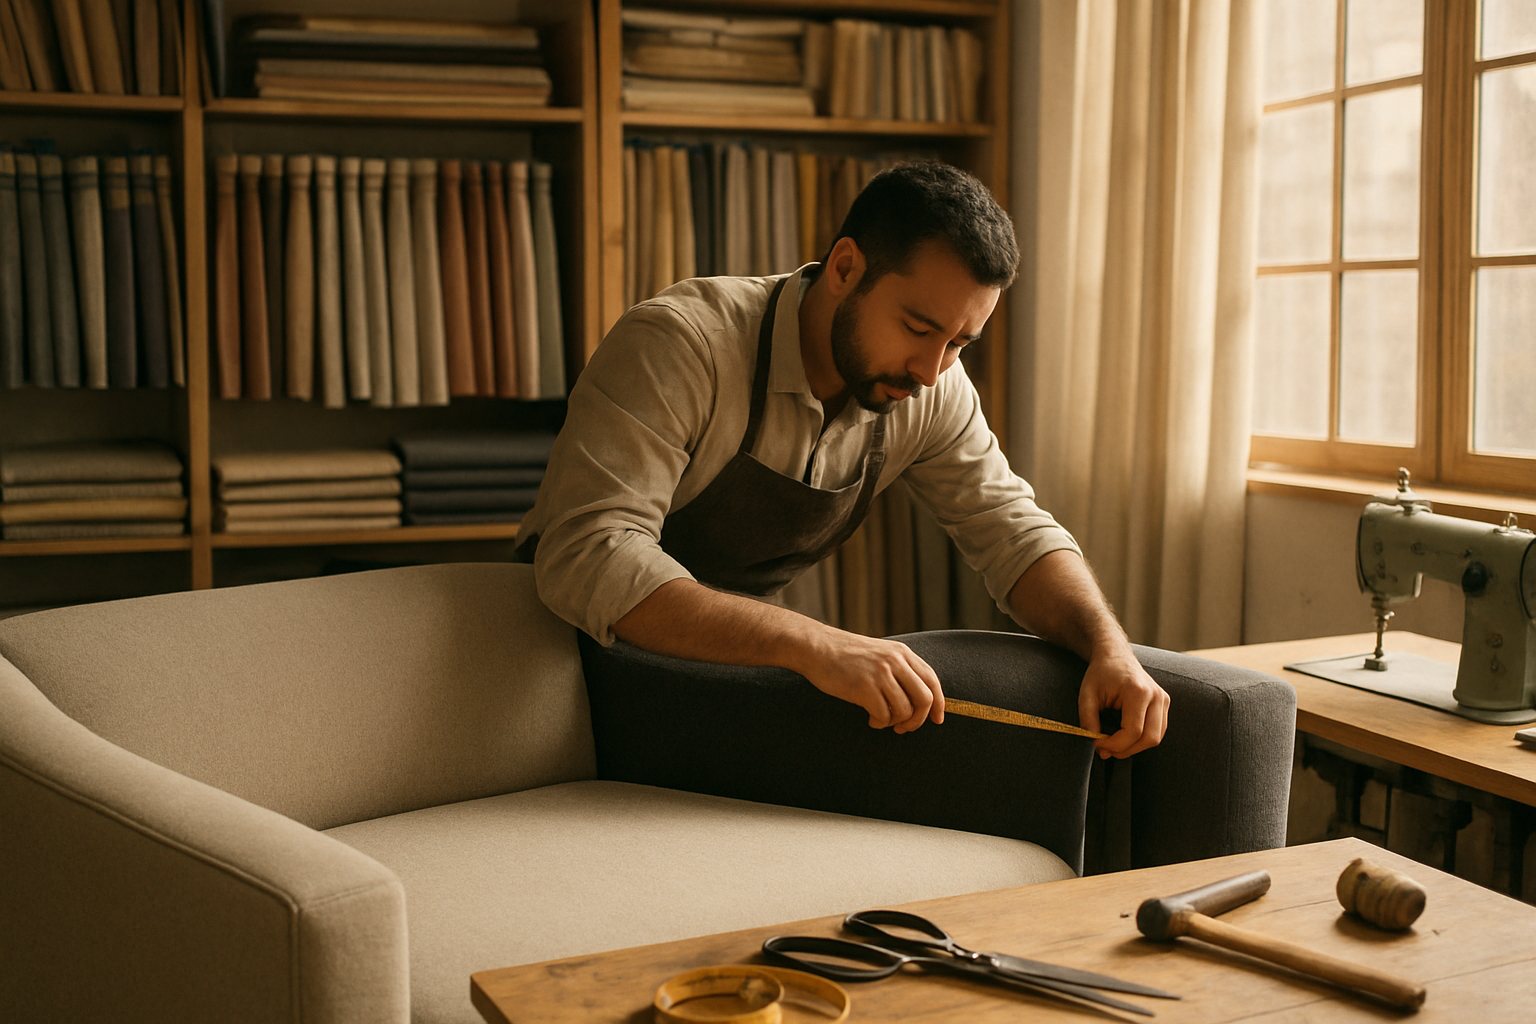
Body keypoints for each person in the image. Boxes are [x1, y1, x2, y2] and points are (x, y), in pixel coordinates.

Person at [517, 161, 1169, 759]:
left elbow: (1013, 533)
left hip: (729, 677)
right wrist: (810, 641)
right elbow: (591, 551)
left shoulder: (934, 387)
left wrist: (1110, 649)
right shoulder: (682, 344)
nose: (930, 368)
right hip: (558, 679)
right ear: (846, 267)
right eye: (918, 328)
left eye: (958, 344)